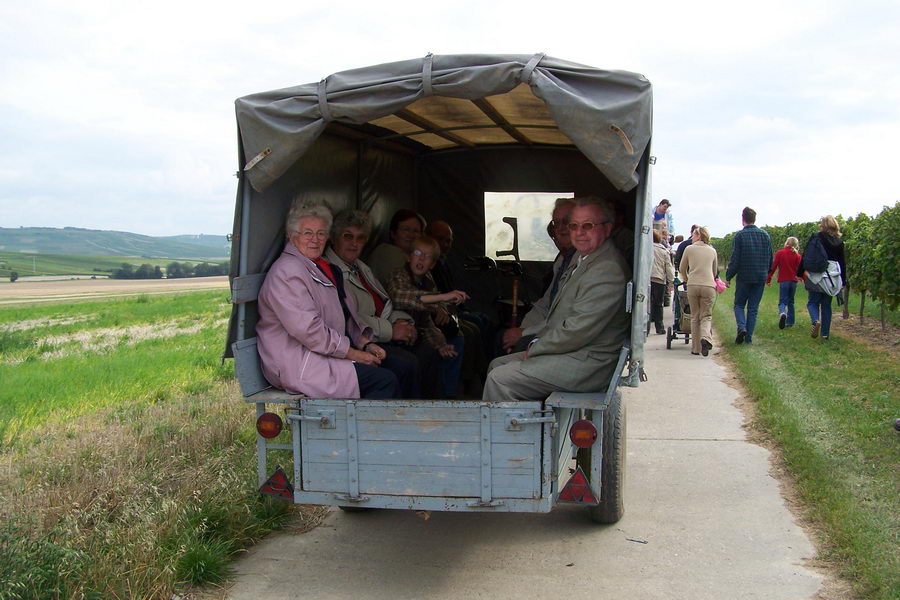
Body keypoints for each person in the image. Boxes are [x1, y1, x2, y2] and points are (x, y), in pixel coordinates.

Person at [483, 197, 631, 402]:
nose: (579, 233)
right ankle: (528, 429)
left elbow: (577, 330)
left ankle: (510, 433)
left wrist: (536, 346)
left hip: (587, 362)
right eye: (574, 226)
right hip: (572, 352)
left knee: (500, 379)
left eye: (588, 225)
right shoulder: (583, 258)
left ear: (607, 228)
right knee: (496, 365)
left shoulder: (607, 269)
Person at [256, 201, 400, 399]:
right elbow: (310, 331)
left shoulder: (320, 267)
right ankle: (363, 430)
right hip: (300, 363)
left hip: (324, 355)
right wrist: (354, 354)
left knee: (403, 367)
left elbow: (345, 315)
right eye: (308, 233)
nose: (315, 240)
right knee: (385, 380)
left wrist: (365, 345)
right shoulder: (287, 272)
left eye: (321, 233)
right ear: (292, 235)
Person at [325, 208, 434, 398]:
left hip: (380, 332)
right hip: (362, 340)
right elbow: (351, 317)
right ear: (334, 238)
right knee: (406, 365)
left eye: (360, 238)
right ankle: (405, 419)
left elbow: (385, 302)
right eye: (347, 236)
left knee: (429, 346)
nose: (354, 244)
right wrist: (392, 330)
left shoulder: (360, 266)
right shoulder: (331, 271)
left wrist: (404, 322)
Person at [387, 235, 470, 397]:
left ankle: (437, 401)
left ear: (432, 264)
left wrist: (440, 344)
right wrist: (442, 298)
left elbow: (425, 321)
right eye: (417, 253)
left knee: (434, 353)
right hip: (393, 334)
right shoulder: (399, 275)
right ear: (409, 256)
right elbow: (401, 297)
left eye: (428, 257)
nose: (421, 259)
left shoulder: (427, 282)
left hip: (414, 334)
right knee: (422, 357)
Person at [500, 198, 577, 354]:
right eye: (557, 223)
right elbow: (544, 304)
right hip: (547, 327)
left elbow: (562, 318)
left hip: (563, 337)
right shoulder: (562, 260)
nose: (561, 228)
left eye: (567, 221)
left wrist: (523, 334)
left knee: (516, 350)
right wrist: (522, 329)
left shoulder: (585, 263)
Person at [424, 220, 489, 395]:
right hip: (434, 315)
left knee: (481, 320)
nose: (445, 244)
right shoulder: (425, 264)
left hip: (449, 310)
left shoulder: (442, 263)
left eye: (449, 240)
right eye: (440, 239)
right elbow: (412, 297)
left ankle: (478, 373)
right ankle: (462, 383)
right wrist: (441, 305)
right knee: (469, 329)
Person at [725, 207, 772, 345]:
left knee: (739, 305)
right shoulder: (765, 235)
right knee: (753, 309)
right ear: (754, 219)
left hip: (744, 276)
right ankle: (748, 338)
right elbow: (770, 258)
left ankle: (741, 327)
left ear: (742, 219)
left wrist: (729, 276)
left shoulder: (740, 236)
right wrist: (767, 272)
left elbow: (736, 259)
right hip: (760, 276)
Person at [797, 216, 846, 340]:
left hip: (817, 274)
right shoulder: (839, 242)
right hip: (832, 276)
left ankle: (815, 321)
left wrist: (799, 273)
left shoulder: (816, 237)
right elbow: (842, 262)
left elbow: (807, 255)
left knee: (812, 302)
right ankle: (825, 334)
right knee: (826, 305)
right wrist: (843, 280)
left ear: (823, 225)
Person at [679, 226, 718, 356]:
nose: (691, 238)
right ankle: (706, 338)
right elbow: (714, 271)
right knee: (706, 315)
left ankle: (696, 348)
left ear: (699, 236)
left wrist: (686, 279)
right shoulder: (712, 251)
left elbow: (682, 268)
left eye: (694, 235)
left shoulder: (689, 249)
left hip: (693, 284)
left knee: (695, 316)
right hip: (708, 285)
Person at [368, 209, 426, 286]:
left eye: (416, 231)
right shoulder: (388, 252)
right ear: (393, 234)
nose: (411, 235)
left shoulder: (418, 258)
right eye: (406, 230)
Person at [767, 236, 802, 330]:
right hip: (793, 282)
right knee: (791, 301)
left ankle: (782, 313)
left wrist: (768, 279)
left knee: (782, 301)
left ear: (786, 243)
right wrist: (803, 279)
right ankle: (790, 322)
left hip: (784, 280)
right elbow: (800, 270)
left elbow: (773, 267)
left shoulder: (780, 253)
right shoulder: (797, 256)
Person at [650, 229, 675, 334]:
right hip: (659, 279)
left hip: (647, 278)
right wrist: (671, 282)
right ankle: (659, 327)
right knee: (658, 303)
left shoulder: (646, 249)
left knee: (646, 302)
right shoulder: (664, 251)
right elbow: (668, 267)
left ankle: (645, 324)